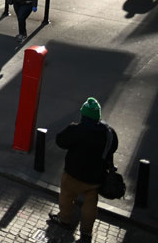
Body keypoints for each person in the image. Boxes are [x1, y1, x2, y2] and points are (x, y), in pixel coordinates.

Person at [49, 97, 117, 242]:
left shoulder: (77, 129)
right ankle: (86, 231)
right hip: (95, 177)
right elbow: (113, 148)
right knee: (91, 204)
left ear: (83, 115)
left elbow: (60, 141)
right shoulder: (109, 133)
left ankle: (64, 219)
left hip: (73, 173)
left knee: (67, 196)